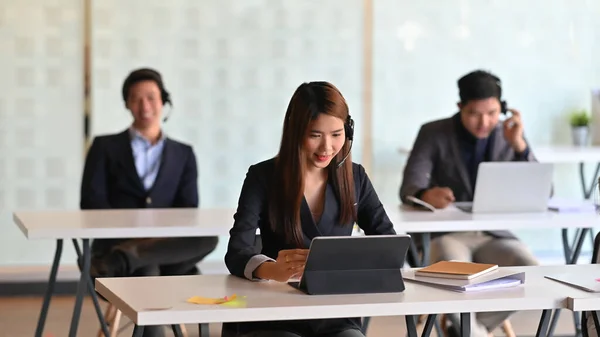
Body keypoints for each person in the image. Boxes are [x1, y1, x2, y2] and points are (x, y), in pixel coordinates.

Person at [224, 81, 396, 337]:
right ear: (295, 131)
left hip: (335, 314)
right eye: (315, 135)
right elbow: (237, 251)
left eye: (337, 135)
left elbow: (388, 242)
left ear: (348, 131)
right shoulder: (263, 176)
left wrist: (349, 263)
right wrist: (271, 269)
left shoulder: (355, 176)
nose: (327, 147)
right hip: (273, 312)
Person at [80, 68, 218, 337]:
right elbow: (92, 204)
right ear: (127, 104)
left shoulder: (184, 154)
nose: (145, 106)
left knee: (209, 237)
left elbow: (189, 212)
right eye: (136, 98)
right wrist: (140, 237)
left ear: (163, 101)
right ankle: (134, 256)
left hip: (163, 253)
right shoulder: (104, 147)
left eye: (151, 98)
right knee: (149, 271)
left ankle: (130, 258)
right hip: (115, 248)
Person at [399, 69, 539, 337]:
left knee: (531, 271)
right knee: (454, 277)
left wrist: (520, 146)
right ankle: (472, 331)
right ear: (460, 107)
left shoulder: (508, 134)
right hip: (446, 234)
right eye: (475, 113)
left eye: (492, 113)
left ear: (503, 109)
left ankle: (466, 328)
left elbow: (542, 191)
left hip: (492, 235)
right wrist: (427, 193)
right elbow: (409, 187)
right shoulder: (433, 132)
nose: (484, 122)